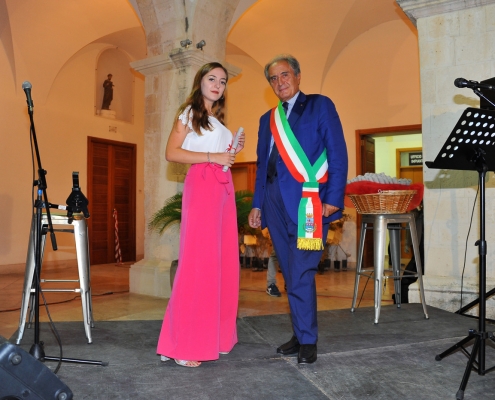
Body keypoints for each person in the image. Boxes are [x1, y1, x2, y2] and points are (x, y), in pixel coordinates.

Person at [248, 54, 348, 364]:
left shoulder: (320, 105)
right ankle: (300, 331)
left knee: (302, 270)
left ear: (298, 76)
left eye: (285, 75)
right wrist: (257, 203)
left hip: (309, 203)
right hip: (273, 202)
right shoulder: (267, 119)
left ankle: (307, 340)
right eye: (273, 78)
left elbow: (338, 152)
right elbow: (262, 165)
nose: (280, 82)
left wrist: (334, 197)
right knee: (290, 272)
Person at [157, 62, 245, 368]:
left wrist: (231, 150)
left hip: (222, 188)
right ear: (200, 81)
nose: (218, 85)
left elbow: (219, 156)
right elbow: (171, 152)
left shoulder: (216, 120)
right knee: (198, 263)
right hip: (203, 185)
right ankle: (182, 344)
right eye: (212, 78)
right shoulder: (189, 113)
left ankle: (211, 337)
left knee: (221, 262)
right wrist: (213, 155)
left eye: (222, 81)